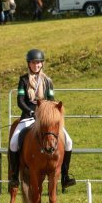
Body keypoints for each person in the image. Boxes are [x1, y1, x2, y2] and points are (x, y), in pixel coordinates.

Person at [7, 49, 76, 189]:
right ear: (29, 64)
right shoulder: (24, 80)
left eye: (39, 62)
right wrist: (31, 112)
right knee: (14, 142)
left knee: (68, 142)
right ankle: (14, 176)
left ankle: (65, 176)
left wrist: (47, 113)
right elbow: (20, 101)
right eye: (34, 62)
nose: (36, 65)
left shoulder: (48, 81)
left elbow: (51, 100)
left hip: (45, 120)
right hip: (28, 117)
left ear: (42, 64)